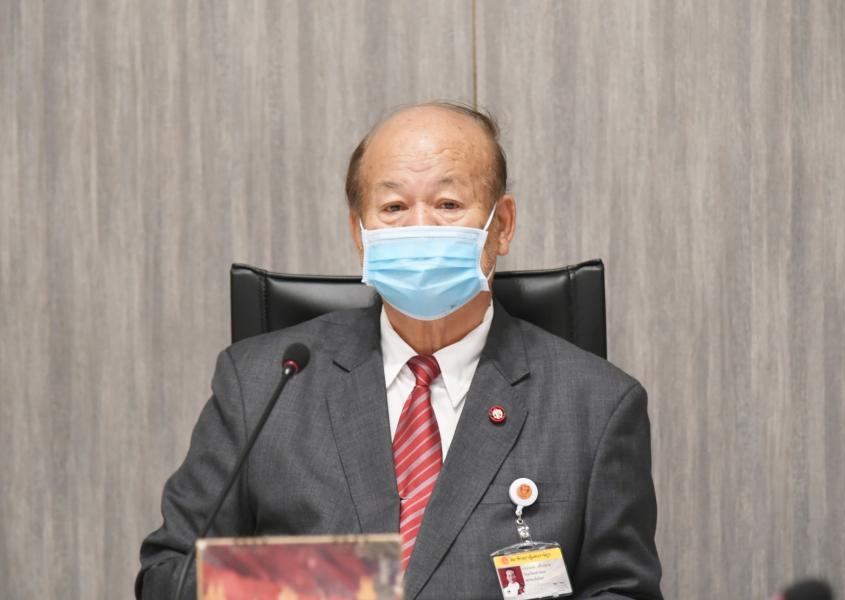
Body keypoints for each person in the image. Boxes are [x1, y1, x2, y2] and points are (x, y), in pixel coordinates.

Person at [137, 101, 663, 599]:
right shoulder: (261, 383)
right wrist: (342, 583)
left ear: (501, 226)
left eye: (448, 204)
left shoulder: (597, 406)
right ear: (359, 233)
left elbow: (622, 591)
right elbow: (166, 577)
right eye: (393, 207)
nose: (420, 228)